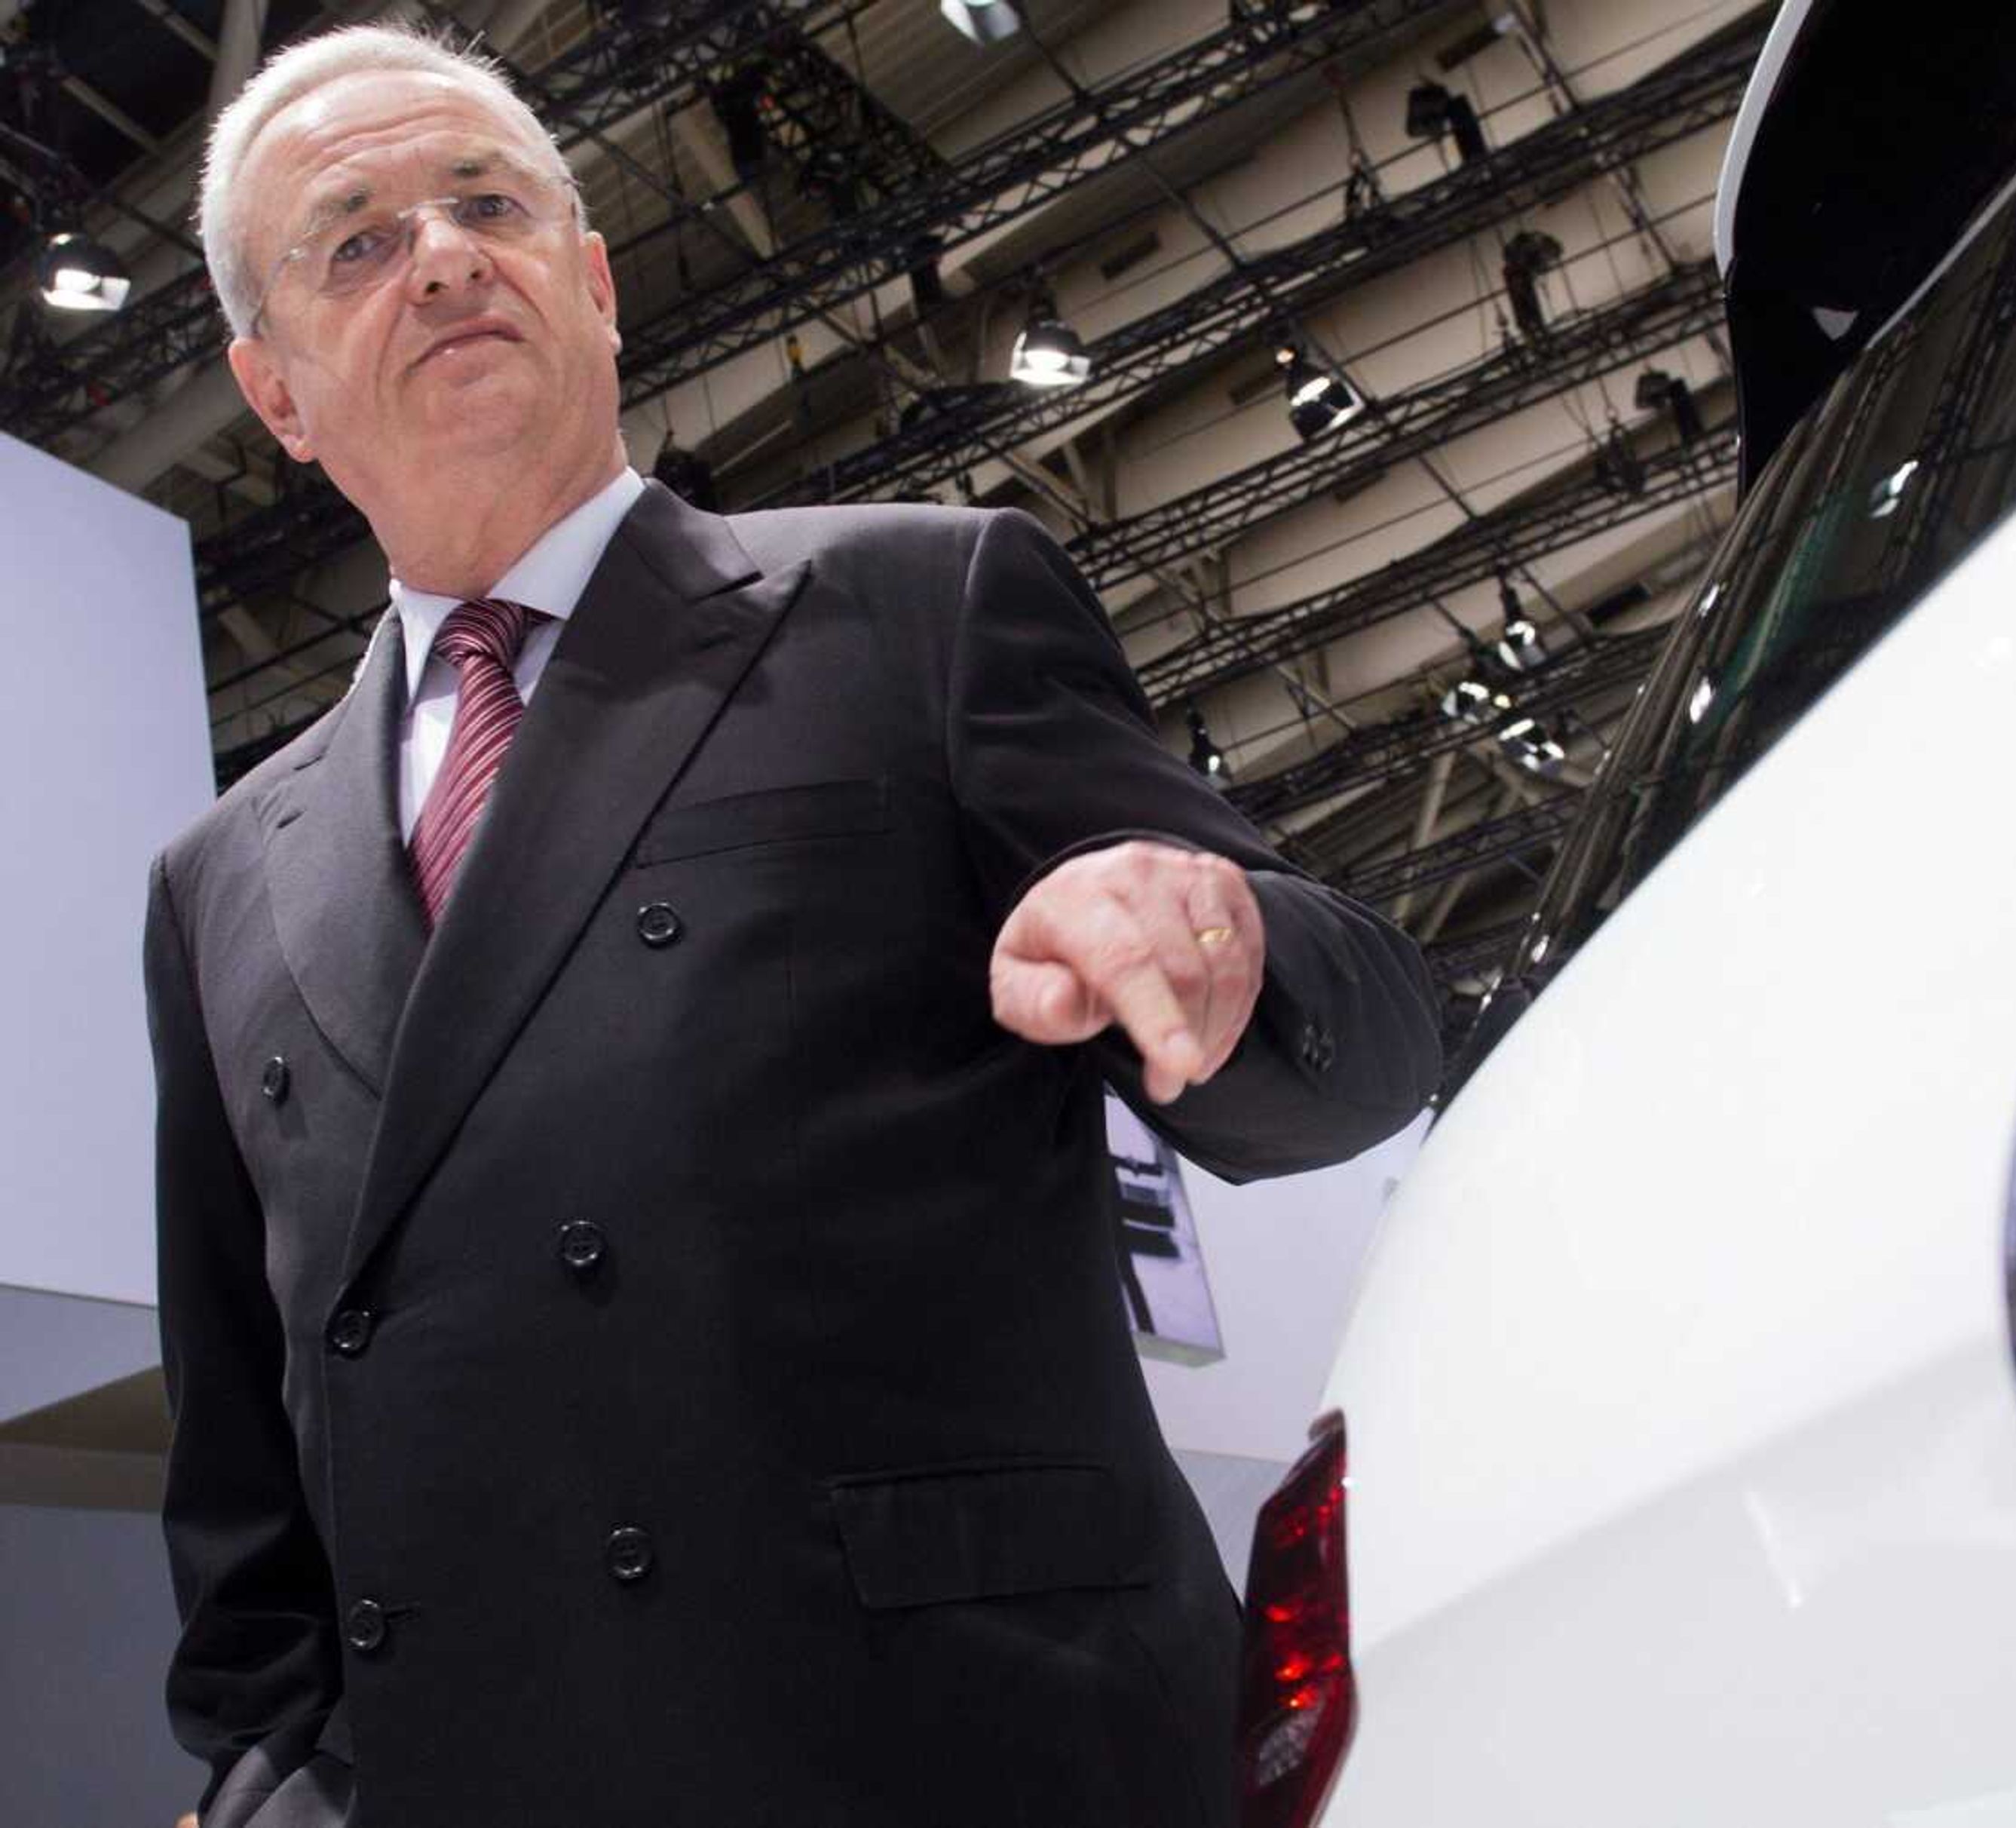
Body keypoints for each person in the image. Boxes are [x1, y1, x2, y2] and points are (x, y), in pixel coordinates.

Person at [142, 25, 1439, 1828]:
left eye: (489, 204)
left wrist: (1227, 941)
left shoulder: (918, 600)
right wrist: (271, 1767)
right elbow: (241, 1442)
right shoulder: (217, 876)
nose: (440, 253)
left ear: (592, 285)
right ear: (272, 394)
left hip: (972, 1750)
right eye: (354, 242)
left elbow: (1365, 1031)